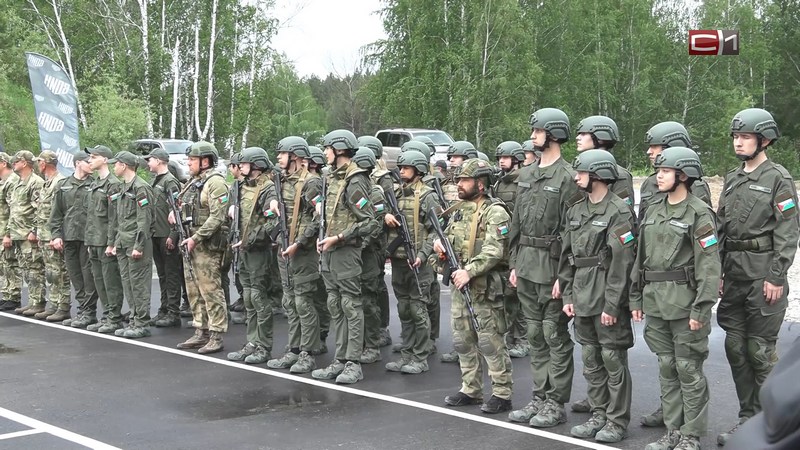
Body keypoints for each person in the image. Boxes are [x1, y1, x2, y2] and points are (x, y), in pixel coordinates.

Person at [715, 108, 799, 446]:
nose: (739, 142)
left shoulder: (777, 178)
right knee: (735, 348)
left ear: (763, 140)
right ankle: (748, 419)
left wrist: (776, 276)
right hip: (734, 275)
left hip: (763, 274)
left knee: (760, 352)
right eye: (736, 136)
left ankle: (777, 428)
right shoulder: (733, 178)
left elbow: (788, 230)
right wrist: (719, 272)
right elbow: (721, 228)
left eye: (745, 136)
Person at [629, 147, 720, 450]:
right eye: (658, 171)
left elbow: (709, 266)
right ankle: (672, 431)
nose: (659, 175)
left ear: (683, 175)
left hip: (685, 304)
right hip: (656, 301)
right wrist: (636, 298)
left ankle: (690, 436)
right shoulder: (654, 208)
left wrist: (702, 308)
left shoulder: (699, 213)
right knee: (667, 367)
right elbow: (640, 259)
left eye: (665, 171)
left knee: (688, 370)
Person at [507, 107, 578, 428]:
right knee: (534, 335)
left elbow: (572, 233)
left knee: (554, 336)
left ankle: (555, 403)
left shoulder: (568, 178)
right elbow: (516, 224)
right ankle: (539, 396)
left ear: (552, 134)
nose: (532, 136)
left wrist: (564, 278)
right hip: (526, 265)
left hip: (552, 269)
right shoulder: (527, 174)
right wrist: (513, 264)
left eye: (537, 131)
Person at [559, 149, 636, 443]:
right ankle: (599, 413)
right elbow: (568, 257)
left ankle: (616, 421)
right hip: (581, 293)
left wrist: (613, 304)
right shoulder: (576, 210)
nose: (576, 177)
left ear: (599, 176)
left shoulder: (619, 211)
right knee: (590, 358)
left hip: (605, 293)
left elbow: (622, 262)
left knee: (612, 359)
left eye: (582, 173)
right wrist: (567, 295)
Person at [434, 158, 513, 414]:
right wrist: (440, 248)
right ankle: (471, 388)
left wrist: (469, 271)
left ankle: (502, 393)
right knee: (462, 339)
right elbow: (449, 238)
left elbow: (495, 250)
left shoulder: (495, 211)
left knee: (490, 341)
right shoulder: (459, 209)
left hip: (484, 286)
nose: (459, 184)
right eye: (458, 179)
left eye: (465, 180)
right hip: (460, 284)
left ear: (481, 183)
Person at [311, 129, 377, 385]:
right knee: (335, 306)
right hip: (329, 252)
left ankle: (353, 362)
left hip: (346, 252)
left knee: (350, 306)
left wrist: (339, 238)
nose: (325, 152)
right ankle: (340, 359)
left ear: (339, 149)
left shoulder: (355, 179)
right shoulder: (331, 178)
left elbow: (370, 221)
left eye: (328, 148)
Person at [266, 137, 322, 373]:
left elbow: (317, 217)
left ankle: (308, 353)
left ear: (296, 157)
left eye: (283, 153)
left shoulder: (311, 183)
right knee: (289, 302)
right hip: (284, 248)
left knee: (303, 303)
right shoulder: (281, 180)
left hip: (303, 252)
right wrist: (271, 204)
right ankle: (294, 349)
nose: (278, 157)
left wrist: (299, 242)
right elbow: (272, 210)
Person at [384, 149, 439, 374]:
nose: (401, 171)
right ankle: (406, 353)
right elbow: (379, 212)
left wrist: (423, 255)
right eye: (401, 167)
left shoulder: (427, 196)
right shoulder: (395, 194)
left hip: (418, 263)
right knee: (404, 309)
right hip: (398, 262)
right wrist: (384, 216)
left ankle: (420, 357)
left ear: (419, 170)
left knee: (418, 310)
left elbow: (436, 231)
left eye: (406, 167)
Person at [173, 141, 230, 354]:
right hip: (191, 243)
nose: (188, 163)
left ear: (205, 161)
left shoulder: (215, 183)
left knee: (210, 290)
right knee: (193, 290)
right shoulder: (193, 182)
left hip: (206, 246)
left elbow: (218, 216)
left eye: (192, 160)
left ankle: (216, 334)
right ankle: (201, 330)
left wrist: (196, 237)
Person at [226, 147, 278, 364]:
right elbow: (233, 209)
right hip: (243, 249)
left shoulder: (267, 189)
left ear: (256, 165)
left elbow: (272, 222)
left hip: (258, 250)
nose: (241, 167)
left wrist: (250, 239)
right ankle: (252, 342)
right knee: (247, 297)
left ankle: (263, 346)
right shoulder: (241, 187)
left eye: (245, 164)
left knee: (258, 297)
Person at [107, 151, 155, 339]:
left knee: (139, 285)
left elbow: (144, 220)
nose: (114, 167)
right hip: (124, 242)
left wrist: (139, 245)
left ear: (125, 165)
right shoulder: (122, 187)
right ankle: (134, 319)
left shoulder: (140, 188)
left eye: (116, 164)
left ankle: (142, 322)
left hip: (136, 243)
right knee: (128, 284)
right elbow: (119, 219)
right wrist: (115, 243)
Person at [439, 140, 478, 364]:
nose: (451, 160)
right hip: (456, 245)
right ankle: (462, 348)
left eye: (456, 157)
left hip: (473, 255)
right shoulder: (448, 184)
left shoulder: (481, 192)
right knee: (459, 312)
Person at [48, 151, 97, 325]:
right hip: (69, 237)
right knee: (75, 275)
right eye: (87, 161)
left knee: (88, 276)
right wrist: (56, 235)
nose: (91, 164)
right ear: (77, 163)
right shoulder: (64, 185)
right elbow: (56, 214)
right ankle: (83, 309)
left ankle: (89, 312)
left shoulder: (95, 185)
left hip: (88, 238)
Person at [82, 145, 126, 333]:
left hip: (105, 240)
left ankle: (114, 317)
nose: (90, 160)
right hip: (94, 239)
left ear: (105, 159)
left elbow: (114, 217)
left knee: (111, 281)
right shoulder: (94, 183)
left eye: (93, 157)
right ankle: (107, 314)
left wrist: (111, 242)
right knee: (99, 280)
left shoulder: (113, 184)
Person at [493, 141, 529, 359]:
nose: (501, 161)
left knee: (519, 294)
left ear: (516, 159)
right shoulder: (499, 182)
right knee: (507, 294)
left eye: (505, 157)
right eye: (500, 158)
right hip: (503, 242)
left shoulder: (523, 181)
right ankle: (509, 337)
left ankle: (522, 339)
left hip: (519, 242)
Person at [640, 122, 712, 224]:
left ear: (671, 146)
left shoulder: (694, 184)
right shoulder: (649, 183)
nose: (649, 151)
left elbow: (703, 221)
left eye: (655, 146)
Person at [358, 135, 393, 348]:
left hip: (377, 240)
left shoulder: (383, 178)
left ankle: (381, 327)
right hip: (367, 236)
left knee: (376, 286)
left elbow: (387, 210)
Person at [144, 147, 183, 327]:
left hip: (166, 235)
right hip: (156, 233)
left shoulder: (170, 182)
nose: (148, 163)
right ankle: (165, 308)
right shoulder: (155, 181)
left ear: (159, 160)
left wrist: (173, 235)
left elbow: (176, 209)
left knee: (171, 274)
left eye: (150, 159)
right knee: (162, 275)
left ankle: (173, 312)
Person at [30, 151, 70, 320]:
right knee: (51, 272)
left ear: (45, 163)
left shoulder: (59, 182)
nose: (37, 164)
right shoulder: (47, 183)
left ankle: (63, 305)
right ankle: (54, 303)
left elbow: (61, 212)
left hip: (53, 235)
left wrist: (57, 235)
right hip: (45, 234)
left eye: (39, 161)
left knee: (60, 271)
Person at [7, 151, 45, 315]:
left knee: (35, 269)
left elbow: (40, 209)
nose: (13, 163)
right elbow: (14, 210)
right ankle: (32, 301)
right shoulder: (18, 182)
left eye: (16, 160)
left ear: (25, 162)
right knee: (26, 269)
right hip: (18, 233)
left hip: (28, 234)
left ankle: (38, 302)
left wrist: (34, 230)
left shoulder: (35, 182)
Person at [574, 115, 635, 207]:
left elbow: (624, 211)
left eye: (583, 134)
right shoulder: (578, 172)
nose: (578, 138)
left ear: (600, 137)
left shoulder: (620, 175)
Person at [0, 152, 22, 311]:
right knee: (4, 264)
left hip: (8, 229)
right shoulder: (3, 182)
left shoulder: (12, 181)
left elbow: (13, 209)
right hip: (2, 229)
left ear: (3, 163)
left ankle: (13, 296)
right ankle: (7, 293)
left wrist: (8, 233)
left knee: (10, 262)